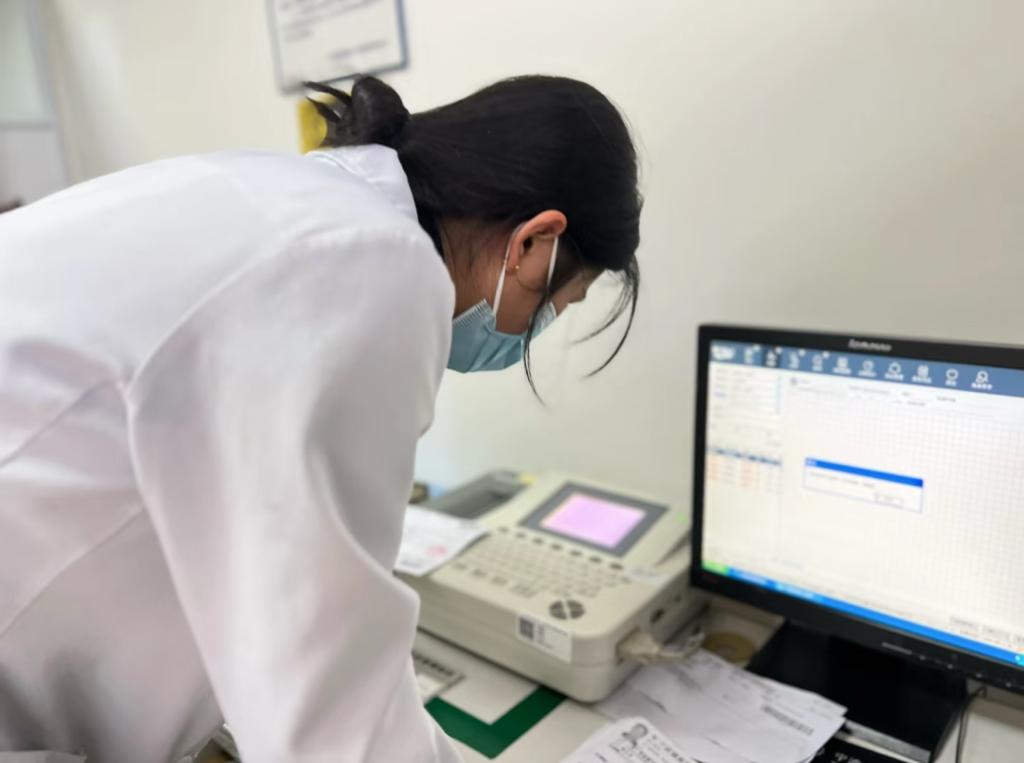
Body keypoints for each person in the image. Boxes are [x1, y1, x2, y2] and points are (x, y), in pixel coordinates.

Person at [0, 75, 641, 762]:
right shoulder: (370, 263)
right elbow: (332, 720)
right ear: (535, 243)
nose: (538, 328)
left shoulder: (298, 195)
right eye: (561, 304)